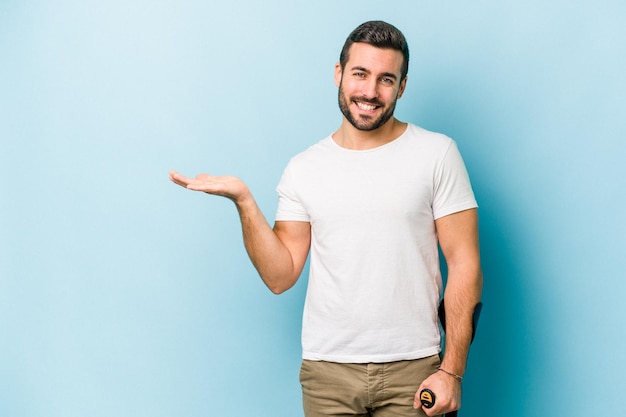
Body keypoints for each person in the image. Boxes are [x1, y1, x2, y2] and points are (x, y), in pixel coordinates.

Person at [170, 20, 482, 417]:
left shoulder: (437, 154)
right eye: (360, 74)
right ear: (339, 74)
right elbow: (280, 276)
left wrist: (451, 371)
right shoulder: (304, 169)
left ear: (402, 87)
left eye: (386, 79)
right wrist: (245, 202)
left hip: (415, 369)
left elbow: (465, 264)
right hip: (327, 374)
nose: (370, 92)